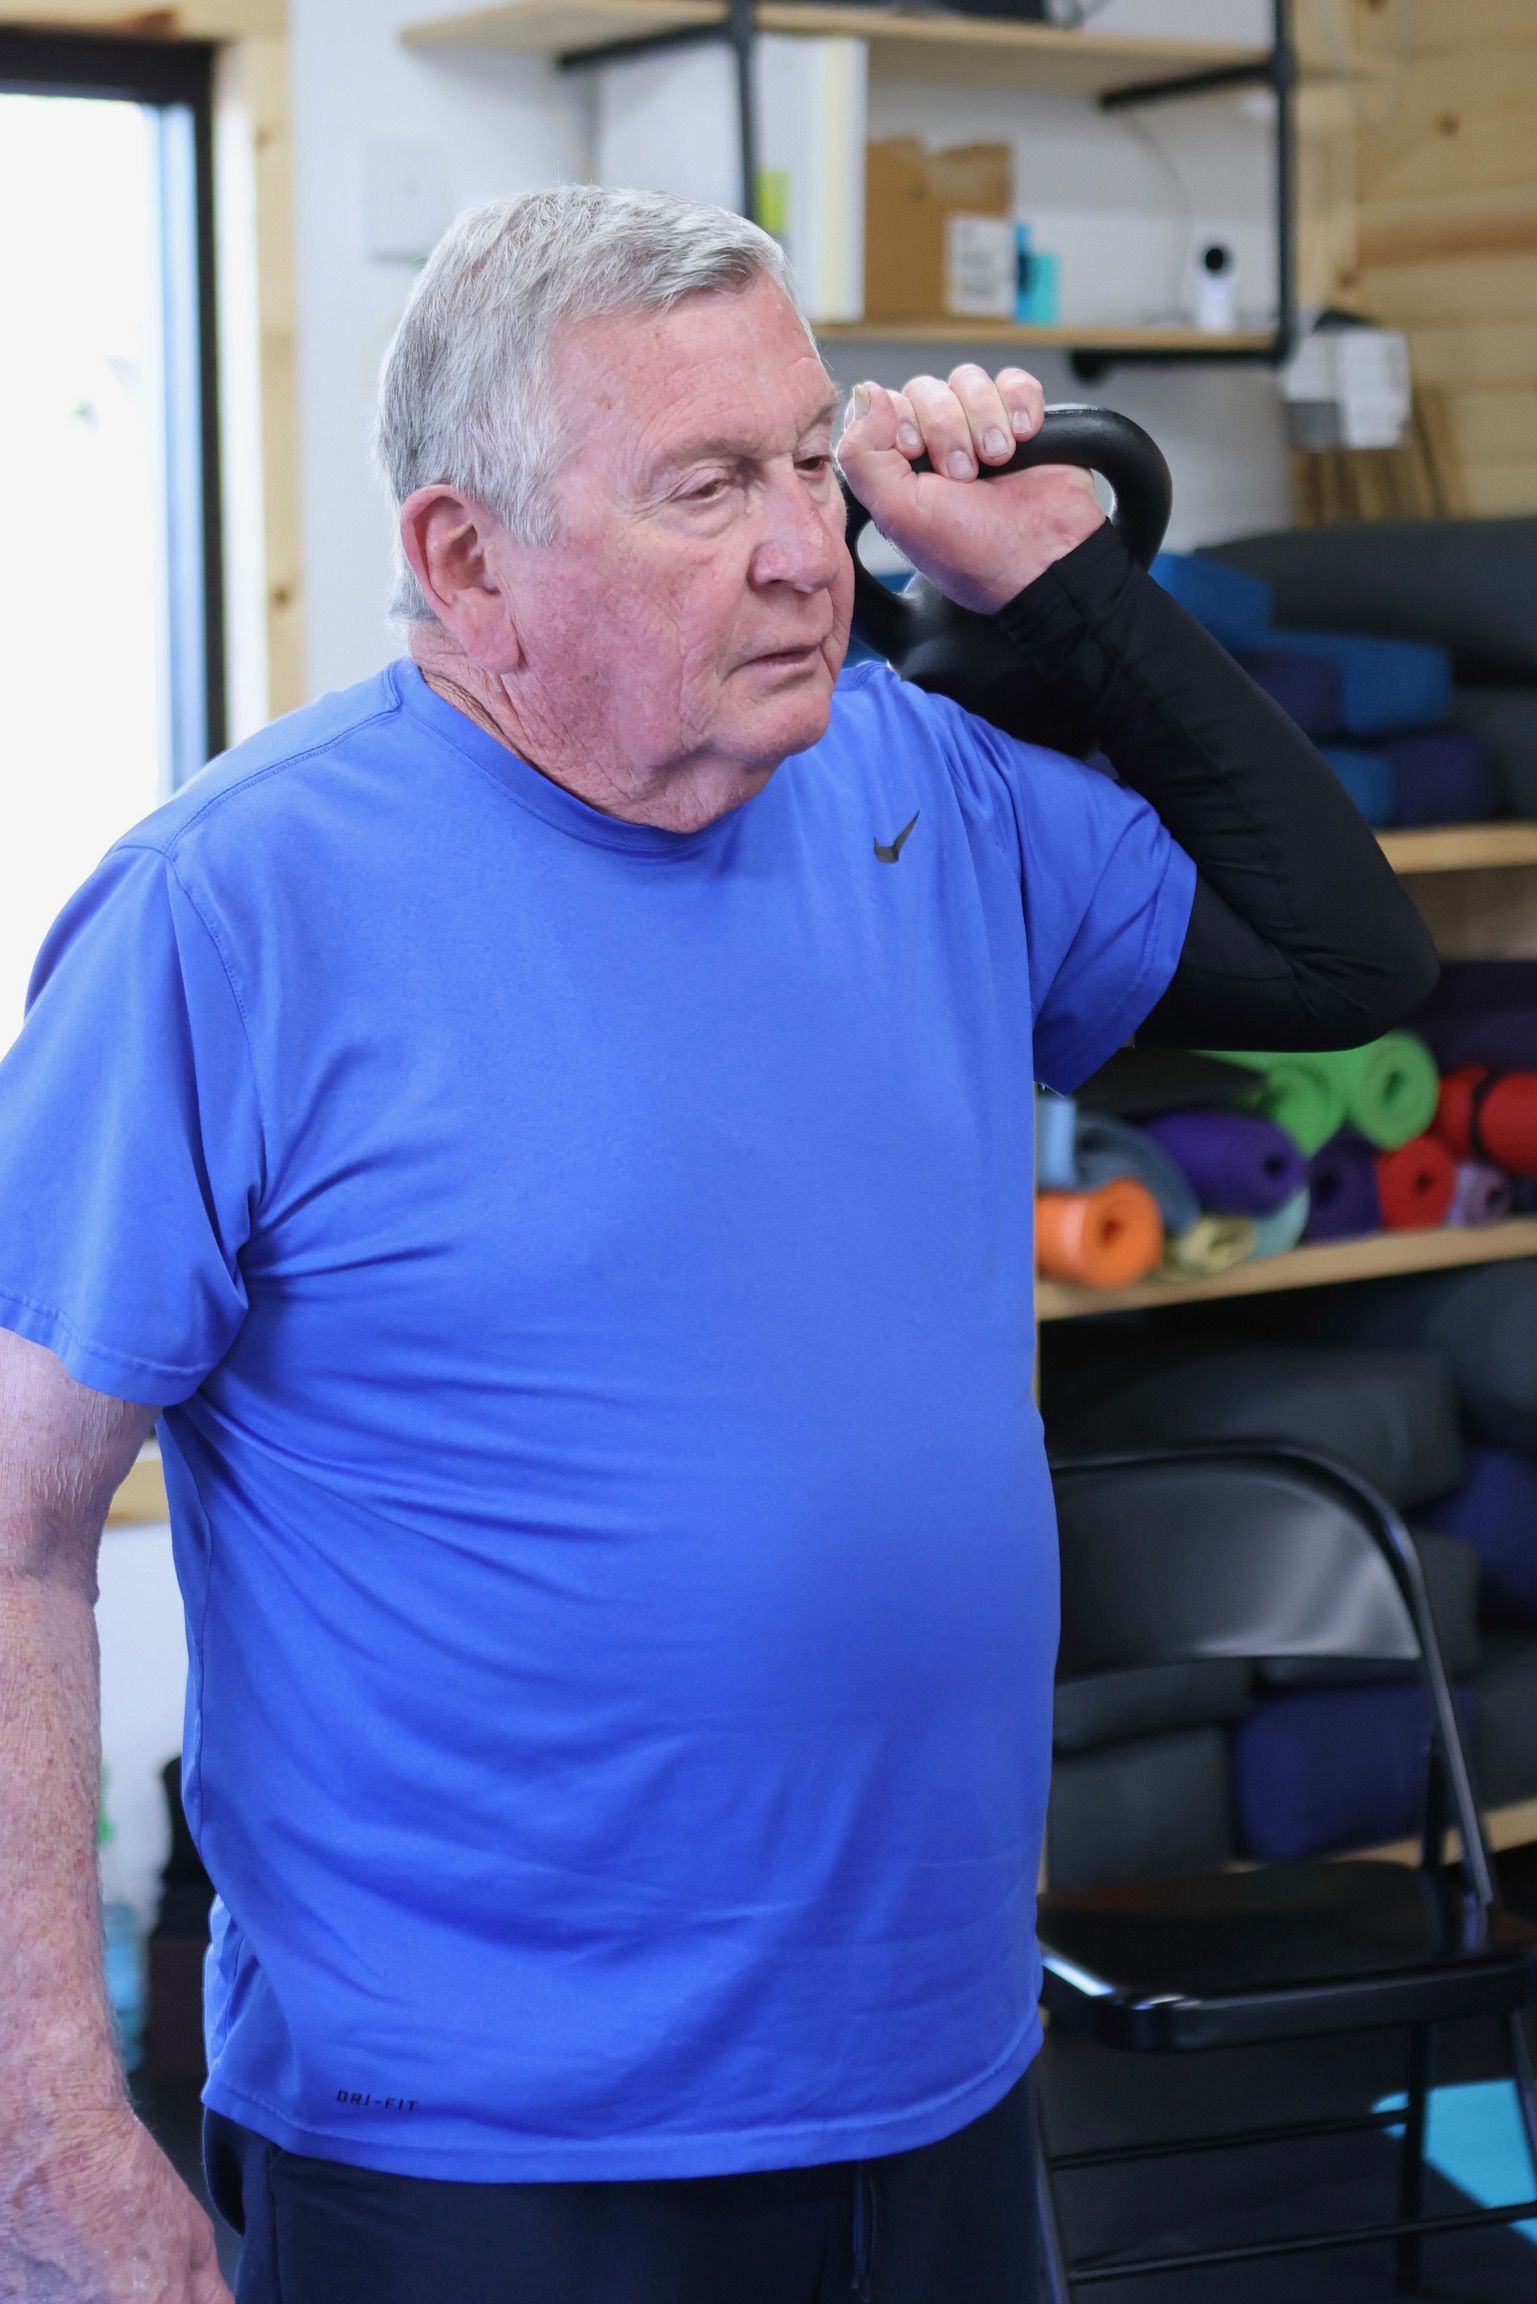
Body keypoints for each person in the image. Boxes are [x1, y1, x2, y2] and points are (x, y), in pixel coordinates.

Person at [0, 186, 1435, 2304]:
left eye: (805, 459)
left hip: (940, 2088)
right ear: (463, 559)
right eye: (704, 486)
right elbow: (17, 1533)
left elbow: (1345, 961)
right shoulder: (232, 912)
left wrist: (1056, 586)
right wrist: (47, 2141)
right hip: (477, 2163)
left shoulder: (914, 783)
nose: (803, 550)